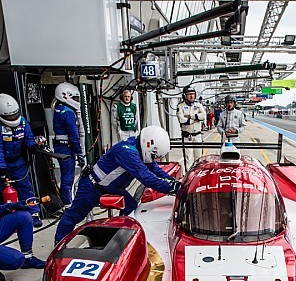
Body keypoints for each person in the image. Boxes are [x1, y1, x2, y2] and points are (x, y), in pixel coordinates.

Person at [54, 126, 182, 244]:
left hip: (112, 187)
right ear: (148, 145)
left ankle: (119, 239)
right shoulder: (127, 152)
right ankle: (58, 247)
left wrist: (174, 182)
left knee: (130, 206)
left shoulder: (138, 148)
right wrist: (172, 188)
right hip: (92, 187)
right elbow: (147, 178)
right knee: (73, 216)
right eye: (154, 155)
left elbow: (155, 169)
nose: (154, 159)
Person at [0, 93, 45, 227]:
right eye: (9, 116)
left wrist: (33, 147)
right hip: (1, 162)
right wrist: (1, 168)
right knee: (6, 190)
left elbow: (29, 138)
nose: (13, 118)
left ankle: (34, 213)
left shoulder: (22, 121)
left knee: (26, 187)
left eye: (14, 114)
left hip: (17, 160)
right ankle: (12, 217)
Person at [52, 82, 84, 206]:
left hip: (60, 146)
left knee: (66, 177)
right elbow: (74, 135)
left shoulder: (58, 109)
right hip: (66, 147)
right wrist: (79, 152)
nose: (76, 101)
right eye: (74, 98)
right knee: (68, 178)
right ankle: (68, 204)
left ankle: (67, 202)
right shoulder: (68, 112)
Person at [177, 85, 207, 171]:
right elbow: (182, 120)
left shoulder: (198, 105)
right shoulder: (180, 106)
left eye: (193, 94)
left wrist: (191, 116)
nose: (191, 96)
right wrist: (194, 119)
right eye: (189, 94)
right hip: (187, 137)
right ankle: (189, 177)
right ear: (184, 96)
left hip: (197, 135)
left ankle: (198, 175)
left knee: (199, 158)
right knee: (188, 158)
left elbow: (203, 115)